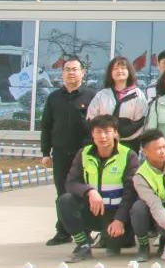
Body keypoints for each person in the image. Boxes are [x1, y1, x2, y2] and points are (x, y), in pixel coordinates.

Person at [58, 114, 138, 263]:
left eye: (107, 132)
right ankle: (83, 244)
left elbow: (131, 193)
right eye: (98, 132)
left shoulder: (128, 155)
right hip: (93, 210)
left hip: (116, 214)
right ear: (92, 134)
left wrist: (119, 220)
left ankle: (114, 238)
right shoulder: (84, 153)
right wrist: (89, 191)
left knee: (114, 249)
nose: (103, 136)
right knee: (65, 201)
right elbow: (71, 182)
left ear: (115, 133)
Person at [41, 56, 94, 247]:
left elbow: (96, 126)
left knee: (83, 192)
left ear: (82, 72)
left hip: (85, 154)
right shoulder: (54, 98)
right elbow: (46, 126)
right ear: (62, 73)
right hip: (61, 153)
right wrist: (45, 152)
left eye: (75, 69)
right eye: (67, 69)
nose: (71, 73)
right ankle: (63, 231)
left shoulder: (91, 96)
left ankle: (85, 231)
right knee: (62, 193)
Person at [130, 129, 165, 262]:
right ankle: (143, 246)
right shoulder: (140, 176)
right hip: (157, 213)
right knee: (138, 207)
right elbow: (155, 205)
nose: (163, 151)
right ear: (145, 152)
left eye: (164, 146)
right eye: (158, 149)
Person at [86, 56, 149, 150]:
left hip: (129, 144)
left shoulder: (138, 95)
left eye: (123, 68)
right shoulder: (102, 95)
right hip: (103, 144)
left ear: (129, 71)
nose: (119, 71)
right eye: (115, 68)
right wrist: (106, 135)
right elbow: (91, 118)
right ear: (110, 73)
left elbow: (140, 121)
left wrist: (120, 135)